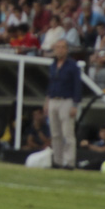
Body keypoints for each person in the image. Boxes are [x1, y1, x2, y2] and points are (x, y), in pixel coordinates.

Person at [46, 40, 81, 170]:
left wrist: (75, 104)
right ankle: (57, 160)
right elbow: (50, 84)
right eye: (57, 47)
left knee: (67, 132)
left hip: (66, 100)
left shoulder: (72, 66)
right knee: (55, 133)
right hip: (54, 99)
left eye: (62, 47)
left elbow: (77, 85)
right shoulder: (53, 65)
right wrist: (47, 101)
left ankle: (69, 161)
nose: (59, 50)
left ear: (66, 50)